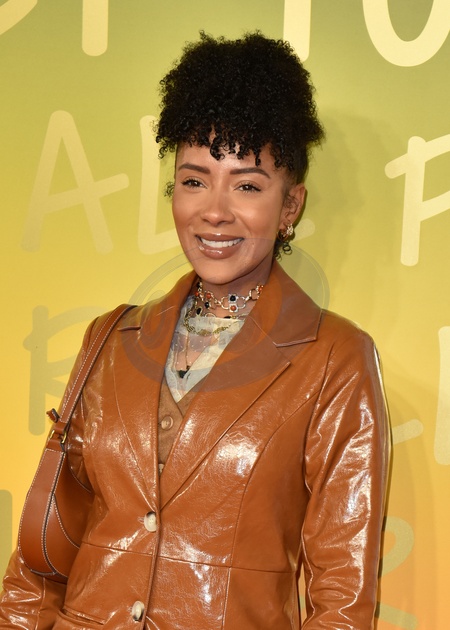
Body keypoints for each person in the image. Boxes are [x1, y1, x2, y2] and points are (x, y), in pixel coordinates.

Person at [0, 32, 389, 629]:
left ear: (291, 206)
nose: (214, 210)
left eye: (247, 185)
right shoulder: (110, 339)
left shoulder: (335, 357)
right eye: (194, 179)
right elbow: (40, 558)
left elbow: (342, 600)